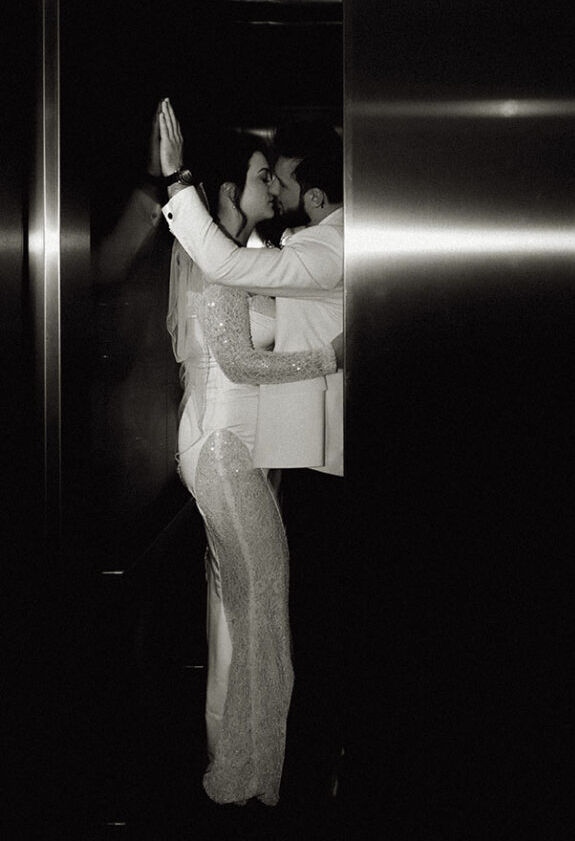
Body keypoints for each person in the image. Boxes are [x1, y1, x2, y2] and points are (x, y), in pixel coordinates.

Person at [158, 99, 345, 805]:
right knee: (261, 602)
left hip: (232, 448)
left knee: (248, 607)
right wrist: (328, 357)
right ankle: (247, 770)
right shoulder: (219, 270)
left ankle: (247, 758)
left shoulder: (247, 265)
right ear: (230, 193)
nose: (275, 188)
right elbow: (239, 362)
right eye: (263, 176)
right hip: (221, 449)